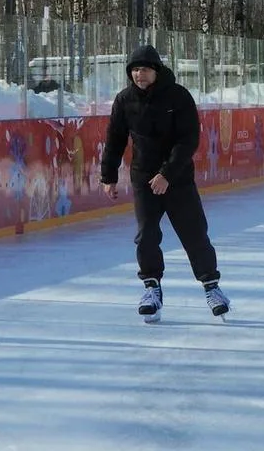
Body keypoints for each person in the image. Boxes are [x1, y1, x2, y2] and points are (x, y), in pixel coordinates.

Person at [100, 44, 229, 323]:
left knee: (194, 234)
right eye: (134, 69)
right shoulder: (124, 100)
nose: (139, 74)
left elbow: (188, 140)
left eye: (144, 69)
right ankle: (151, 289)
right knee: (146, 236)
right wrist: (108, 176)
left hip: (177, 179)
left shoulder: (178, 96)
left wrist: (167, 174)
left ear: (156, 71)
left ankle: (212, 287)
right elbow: (115, 140)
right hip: (143, 178)